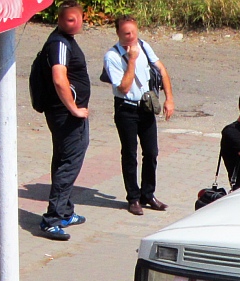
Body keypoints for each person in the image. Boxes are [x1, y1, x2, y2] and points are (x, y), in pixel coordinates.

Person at [103, 15, 175, 216]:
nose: (132, 36)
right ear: (118, 33)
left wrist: (169, 98)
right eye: (127, 33)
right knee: (129, 153)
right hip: (126, 109)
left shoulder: (143, 45)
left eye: (134, 32)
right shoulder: (112, 56)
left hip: (145, 107)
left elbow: (162, 70)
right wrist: (132, 60)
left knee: (151, 152)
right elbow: (124, 87)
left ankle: (148, 194)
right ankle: (133, 198)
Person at [38, 1, 90, 242]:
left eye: (77, 18)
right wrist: (74, 109)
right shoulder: (59, 42)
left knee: (63, 160)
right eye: (69, 19)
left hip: (65, 114)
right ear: (59, 20)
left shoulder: (65, 40)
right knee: (68, 163)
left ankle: (66, 211)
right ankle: (53, 219)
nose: (75, 23)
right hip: (65, 115)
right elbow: (59, 79)